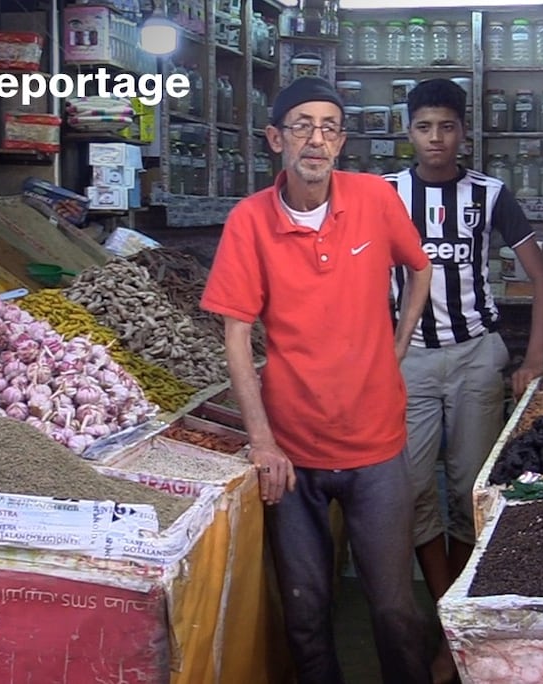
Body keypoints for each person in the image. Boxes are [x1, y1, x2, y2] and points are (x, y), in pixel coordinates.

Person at [200, 76, 436, 684]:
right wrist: (262, 442)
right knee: (306, 613)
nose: (316, 138)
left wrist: (397, 343)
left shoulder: (375, 199)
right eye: (302, 124)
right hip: (294, 453)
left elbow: (419, 269)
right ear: (276, 137)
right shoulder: (249, 221)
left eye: (329, 127)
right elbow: (236, 336)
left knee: (393, 610)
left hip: (376, 445)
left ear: (342, 142)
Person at [384, 77, 543, 674]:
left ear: (464, 131)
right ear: (408, 132)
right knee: (408, 491)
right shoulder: (382, 195)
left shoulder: (491, 195)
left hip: (476, 355)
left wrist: (532, 360)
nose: (436, 138)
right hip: (405, 361)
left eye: (447, 126)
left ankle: (460, 619)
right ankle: (445, 610)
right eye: (424, 127)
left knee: (471, 492)